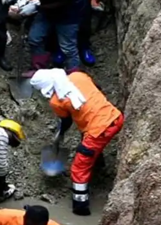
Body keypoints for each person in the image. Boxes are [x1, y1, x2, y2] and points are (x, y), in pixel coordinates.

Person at [30, 68, 123, 215]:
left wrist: (60, 134)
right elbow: (97, 88)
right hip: (115, 117)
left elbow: (66, 120)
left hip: (98, 131)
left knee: (79, 168)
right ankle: (98, 165)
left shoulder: (56, 100)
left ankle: (80, 206)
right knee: (86, 139)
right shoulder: (78, 76)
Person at [3, 0, 86, 77]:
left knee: (67, 46)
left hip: (68, 14)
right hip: (46, 10)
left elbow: (63, 2)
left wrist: (36, 7)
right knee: (34, 38)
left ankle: (74, 75)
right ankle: (39, 69)